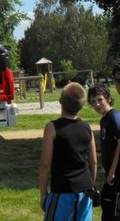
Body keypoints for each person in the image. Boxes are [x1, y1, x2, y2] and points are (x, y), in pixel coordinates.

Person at [39, 82, 97, 221]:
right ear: (81, 105)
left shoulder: (52, 127)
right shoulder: (87, 128)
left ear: (61, 101)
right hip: (85, 191)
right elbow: (93, 161)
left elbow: (45, 164)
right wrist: (91, 186)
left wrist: (42, 194)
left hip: (62, 190)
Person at [88, 84, 120, 220]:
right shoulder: (104, 120)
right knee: (107, 208)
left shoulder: (115, 117)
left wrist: (112, 171)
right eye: (93, 101)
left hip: (117, 175)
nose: (97, 104)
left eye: (100, 99)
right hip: (110, 175)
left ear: (108, 98)